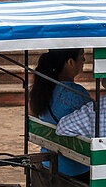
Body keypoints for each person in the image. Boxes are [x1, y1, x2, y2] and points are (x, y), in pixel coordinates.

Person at [30, 48, 91, 177]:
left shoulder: (42, 89)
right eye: (81, 56)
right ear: (70, 62)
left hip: (48, 162)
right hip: (75, 169)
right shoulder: (78, 93)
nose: (84, 60)